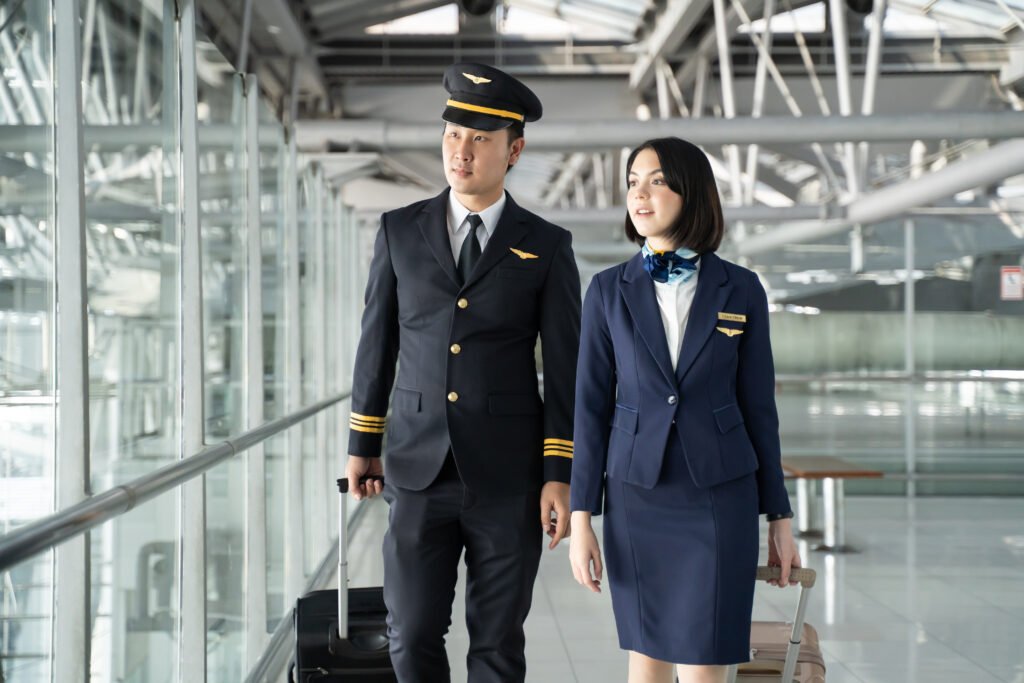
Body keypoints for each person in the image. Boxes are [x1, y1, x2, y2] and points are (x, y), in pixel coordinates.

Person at [343, 62, 582, 683]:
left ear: (514, 150)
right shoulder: (400, 230)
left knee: (498, 642)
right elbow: (378, 343)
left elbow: (565, 371)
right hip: (417, 470)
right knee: (412, 630)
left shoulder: (547, 245)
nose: (462, 151)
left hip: (509, 476)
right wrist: (362, 443)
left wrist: (560, 475)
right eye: (453, 135)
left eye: (480, 139)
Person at [567, 137, 801, 683]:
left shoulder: (740, 288)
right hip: (636, 494)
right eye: (632, 181)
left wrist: (780, 516)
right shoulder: (606, 290)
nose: (640, 194)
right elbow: (589, 406)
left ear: (690, 191)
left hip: (721, 495)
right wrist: (583, 518)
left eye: (656, 180)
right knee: (645, 657)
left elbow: (758, 407)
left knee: (706, 662)